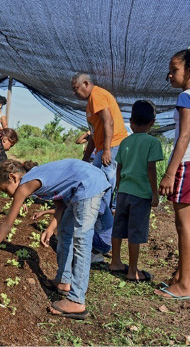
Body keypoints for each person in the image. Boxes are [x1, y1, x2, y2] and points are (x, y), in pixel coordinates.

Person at [0, 159, 110, 320]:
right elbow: (60, 205)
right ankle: (63, 281)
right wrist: (50, 229)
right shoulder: (38, 178)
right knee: (65, 233)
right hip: (84, 182)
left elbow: (7, 224)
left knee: (81, 239)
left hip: (89, 183)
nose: (9, 195)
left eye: (6, 191)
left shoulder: (26, 184)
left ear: (13, 178)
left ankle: (77, 300)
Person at [71, 73, 128, 262]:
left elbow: (108, 121)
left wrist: (107, 150)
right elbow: (95, 135)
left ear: (86, 84)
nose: (74, 93)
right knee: (94, 189)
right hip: (104, 146)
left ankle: (102, 244)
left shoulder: (97, 95)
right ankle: (99, 238)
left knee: (101, 193)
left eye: (76, 88)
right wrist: (85, 159)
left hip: (113, 145)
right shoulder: (90, 104)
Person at [108, 100, 163, 281]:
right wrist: (154, 194)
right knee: (135, 232)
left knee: (118, 227)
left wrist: (118, 186)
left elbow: (119, 167)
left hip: (123, 191)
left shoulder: (125, 142)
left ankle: (115, 262)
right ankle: (132, 271)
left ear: (131, 121)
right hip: (141, 195)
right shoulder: (152, 142)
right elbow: (150, 169)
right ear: (152, 123)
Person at [155, 49, 190, 299]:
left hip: (186, 165)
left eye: (174, 69)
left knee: (183, 225)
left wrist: (170, 173)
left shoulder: (185, 97)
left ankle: (185, 284)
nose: (170, 75)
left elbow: (184, 136)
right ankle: (181, 275)